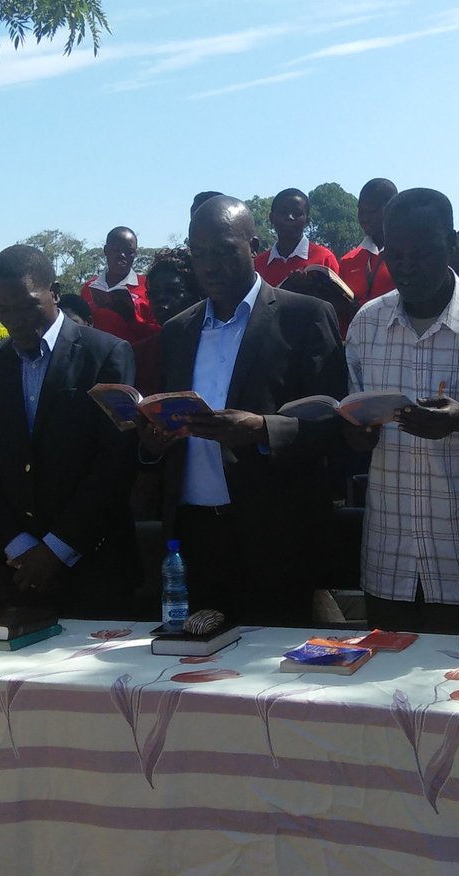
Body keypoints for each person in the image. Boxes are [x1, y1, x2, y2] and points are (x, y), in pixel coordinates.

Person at [141, 196, 347, 627]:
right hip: (194, 539)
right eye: (200, 254)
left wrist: (262, 430)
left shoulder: (304, 316)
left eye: (223, 251)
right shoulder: (178, 331)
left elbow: (334, 422)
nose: (210, 266)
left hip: (275, 536)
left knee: (271, 663)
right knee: (195, 663)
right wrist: (154, 442)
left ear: (253, 246)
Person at [344, 190, 459, 634]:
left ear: (449, 246)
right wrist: (357, 432)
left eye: (421, 254)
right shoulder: (367, 324)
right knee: (385, 678)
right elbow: (355, 430)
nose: (406, 267)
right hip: (389, 562)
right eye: (396, 255)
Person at [0, 245, 141, 618]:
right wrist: (18, 545)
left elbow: (115, 462)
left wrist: (56, 549)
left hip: (96, 568)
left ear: (55, 292)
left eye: (28, 306)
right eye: (3, 309)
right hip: (18, 573)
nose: (16, 321)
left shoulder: (106, 354)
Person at [133, 246, 200, 395]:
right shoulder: (140, 354)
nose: (161, 298)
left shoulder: (213, 347)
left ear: (197, 294)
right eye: (154, 293)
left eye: (173, 291)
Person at [80, 226, 158, 342]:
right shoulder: (90, 287)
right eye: (116, 249)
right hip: (96, 352)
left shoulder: (148, 286)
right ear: (106, 250)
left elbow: (156, 332)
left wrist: (132, 319)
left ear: (135, 254)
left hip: (135, 352)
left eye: (129, 251)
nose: (122, 255)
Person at [253, 188, 341, 287]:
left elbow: (341, 295)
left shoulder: (324, 258)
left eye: (297, 213)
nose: (289, 217)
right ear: (271, 218)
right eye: (283, 212)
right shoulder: (258, 264)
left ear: (307, 221)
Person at [338, 178, 399, 309]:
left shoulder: (408, 256)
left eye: (372, 212)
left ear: (392, 209)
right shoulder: (348, 261)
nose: (365, 218)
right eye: (361, 211)